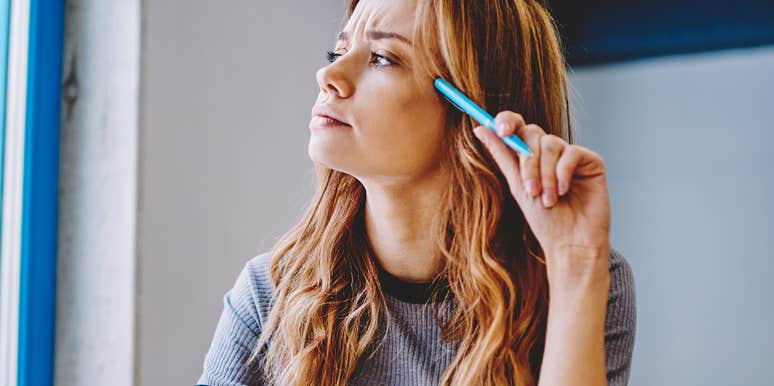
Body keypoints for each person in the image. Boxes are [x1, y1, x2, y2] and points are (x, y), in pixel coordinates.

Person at [197, 0, 636, 385]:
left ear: (471, 109)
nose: (328, 74)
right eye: (339, 51)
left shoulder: (579, 279)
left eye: (382, 58)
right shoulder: (270, 295)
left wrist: (576, 264)